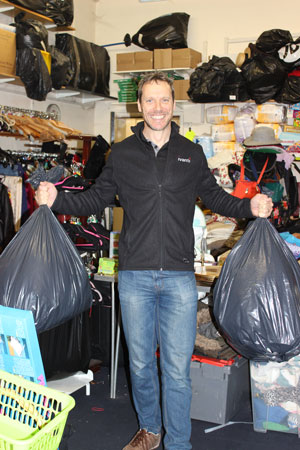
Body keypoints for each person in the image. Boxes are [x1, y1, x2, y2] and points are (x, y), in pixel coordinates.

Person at [36, 72, 273, 450]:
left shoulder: (191, 153)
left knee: (176, 370)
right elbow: (95, 199)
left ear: (173, 104)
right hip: (134, 277)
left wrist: (251, 205)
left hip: (179, 277)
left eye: (164, 100)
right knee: (142, 365)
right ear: (139, 105)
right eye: (150, 100)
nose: (157, 108)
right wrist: (57, 198)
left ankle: (178, 442)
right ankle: (150, 430)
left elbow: (216, 199)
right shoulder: (123, 153)